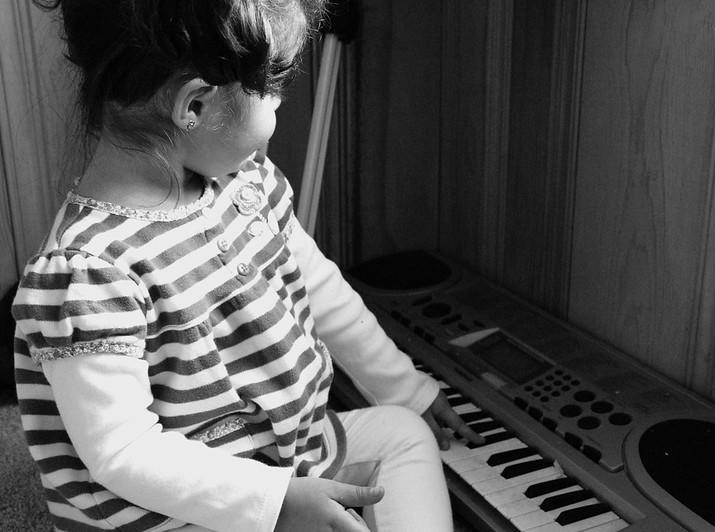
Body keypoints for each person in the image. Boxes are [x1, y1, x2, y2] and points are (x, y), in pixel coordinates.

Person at [12, 1, 483, 530]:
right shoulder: (89, 274)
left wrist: (405, 388)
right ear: (195, 105)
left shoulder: (245, 186)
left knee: (403, 434)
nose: (279, 110)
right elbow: (122, 452)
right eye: (274, 91)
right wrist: (274, 502)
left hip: (281, 451)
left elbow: (318, 286)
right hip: (177, 511)